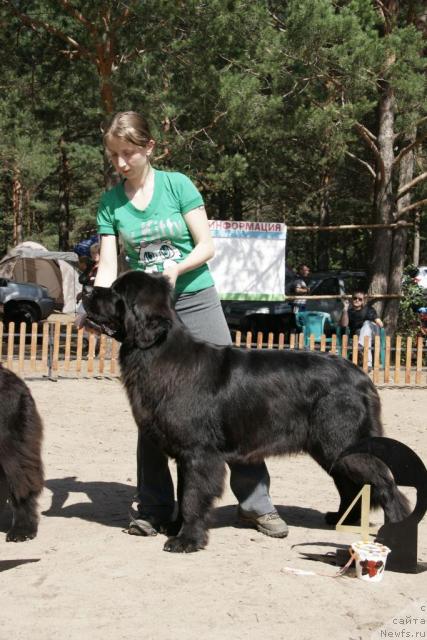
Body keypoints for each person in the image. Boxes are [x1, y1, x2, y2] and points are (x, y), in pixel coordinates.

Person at [80, 111, 288, 539]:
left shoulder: (177, 186)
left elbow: (206, 245)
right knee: (153, 413)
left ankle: (255, 503)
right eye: (114, 155)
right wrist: (96, 308)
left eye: (128, 153)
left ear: (149, 148)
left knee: (230, 403)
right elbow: (110, 264)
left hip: (193, 297)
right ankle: (155, 508)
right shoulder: (111, 203)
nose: (120, 163)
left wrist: (174, 270)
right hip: (148, 315)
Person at [340, 290, 384, 367]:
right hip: (360, 337)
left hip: (373, 334)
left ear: (363, 301)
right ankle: (368, 364)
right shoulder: (348, 312)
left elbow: (380, 324)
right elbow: (344, 325)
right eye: (355, 298)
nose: (357, 300)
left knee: (367, 324)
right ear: (352, 299)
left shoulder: (369, 310)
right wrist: (345, 309)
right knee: (366, 339)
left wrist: (374, 323)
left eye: (360, 299)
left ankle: (360, 345)